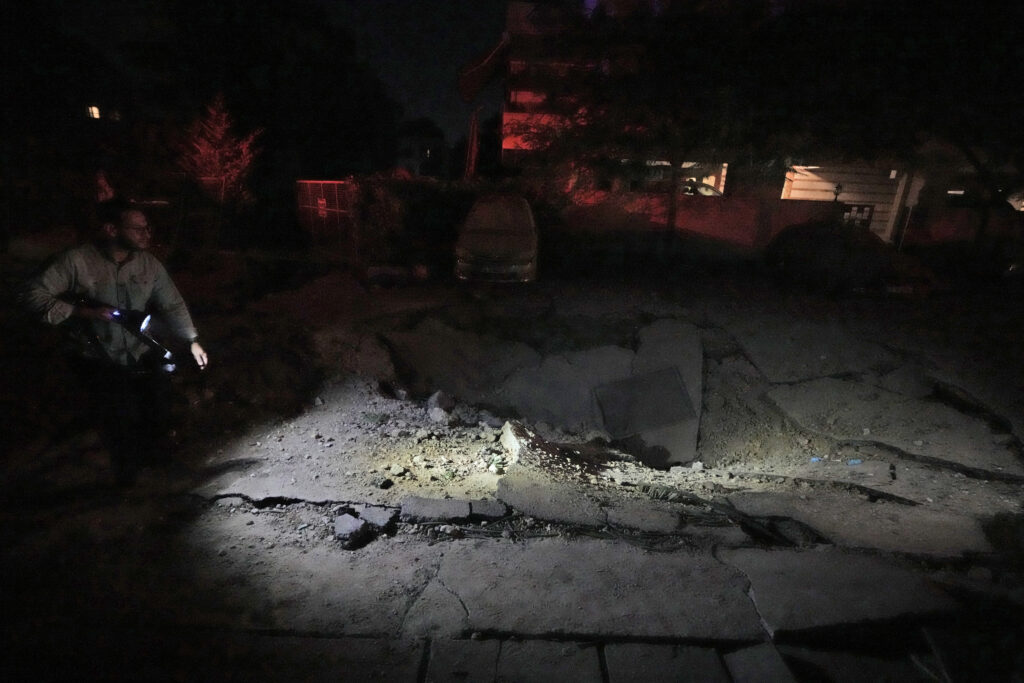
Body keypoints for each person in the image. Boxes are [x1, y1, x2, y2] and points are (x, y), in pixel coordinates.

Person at [20, 198, 209, 486]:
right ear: (111, 229)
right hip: (95, 354)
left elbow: (172, 303)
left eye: (148, 228)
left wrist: (192, 340)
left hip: (137, 349)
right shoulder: (77, 261)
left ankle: (158, 465)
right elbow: (32, 295)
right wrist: (83, 312)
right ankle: (125, 479)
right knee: (119, 414)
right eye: (138, 229)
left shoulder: (148, 264)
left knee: (158, 403)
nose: (147, 235)